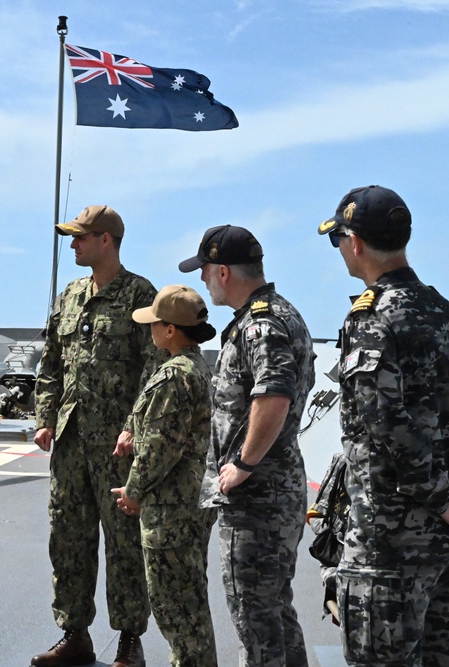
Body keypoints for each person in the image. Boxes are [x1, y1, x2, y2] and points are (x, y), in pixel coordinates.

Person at [317, 185, 449, 666]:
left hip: (389, 552)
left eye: (337, 238)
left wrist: (444, 498)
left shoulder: (370, 319)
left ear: (355, 243)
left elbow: (383, 425)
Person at [178, 225, 315, 667]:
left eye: (204, 272)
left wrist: (241, 463)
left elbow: (274, 395)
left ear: (222, 272)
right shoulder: (277, 315)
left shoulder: (260, 325)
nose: (202, 280)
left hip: (258, 497)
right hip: (273, 489)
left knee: (254, 616)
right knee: (274, 610)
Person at [31, 205, 156, 667]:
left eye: (80, 237)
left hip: (117, 448)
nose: (73, 245)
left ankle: (129, 640)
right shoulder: (69, 296)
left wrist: (134, 426)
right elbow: (51, 366)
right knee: (67, 538)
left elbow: (154, 369)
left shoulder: (141, 296)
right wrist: (45, 417)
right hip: (70, 443)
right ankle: (75, 633)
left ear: (106, 240)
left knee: (124, 542)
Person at [111, 285, 219, 667]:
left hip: (171, 510)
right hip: (188, 504)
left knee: (177, 609)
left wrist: (133, 489)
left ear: (171, 329)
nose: (150, 329)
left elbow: (159, 448)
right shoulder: (196, 368)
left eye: (154, 323)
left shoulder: (173, 377)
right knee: (190, 603)